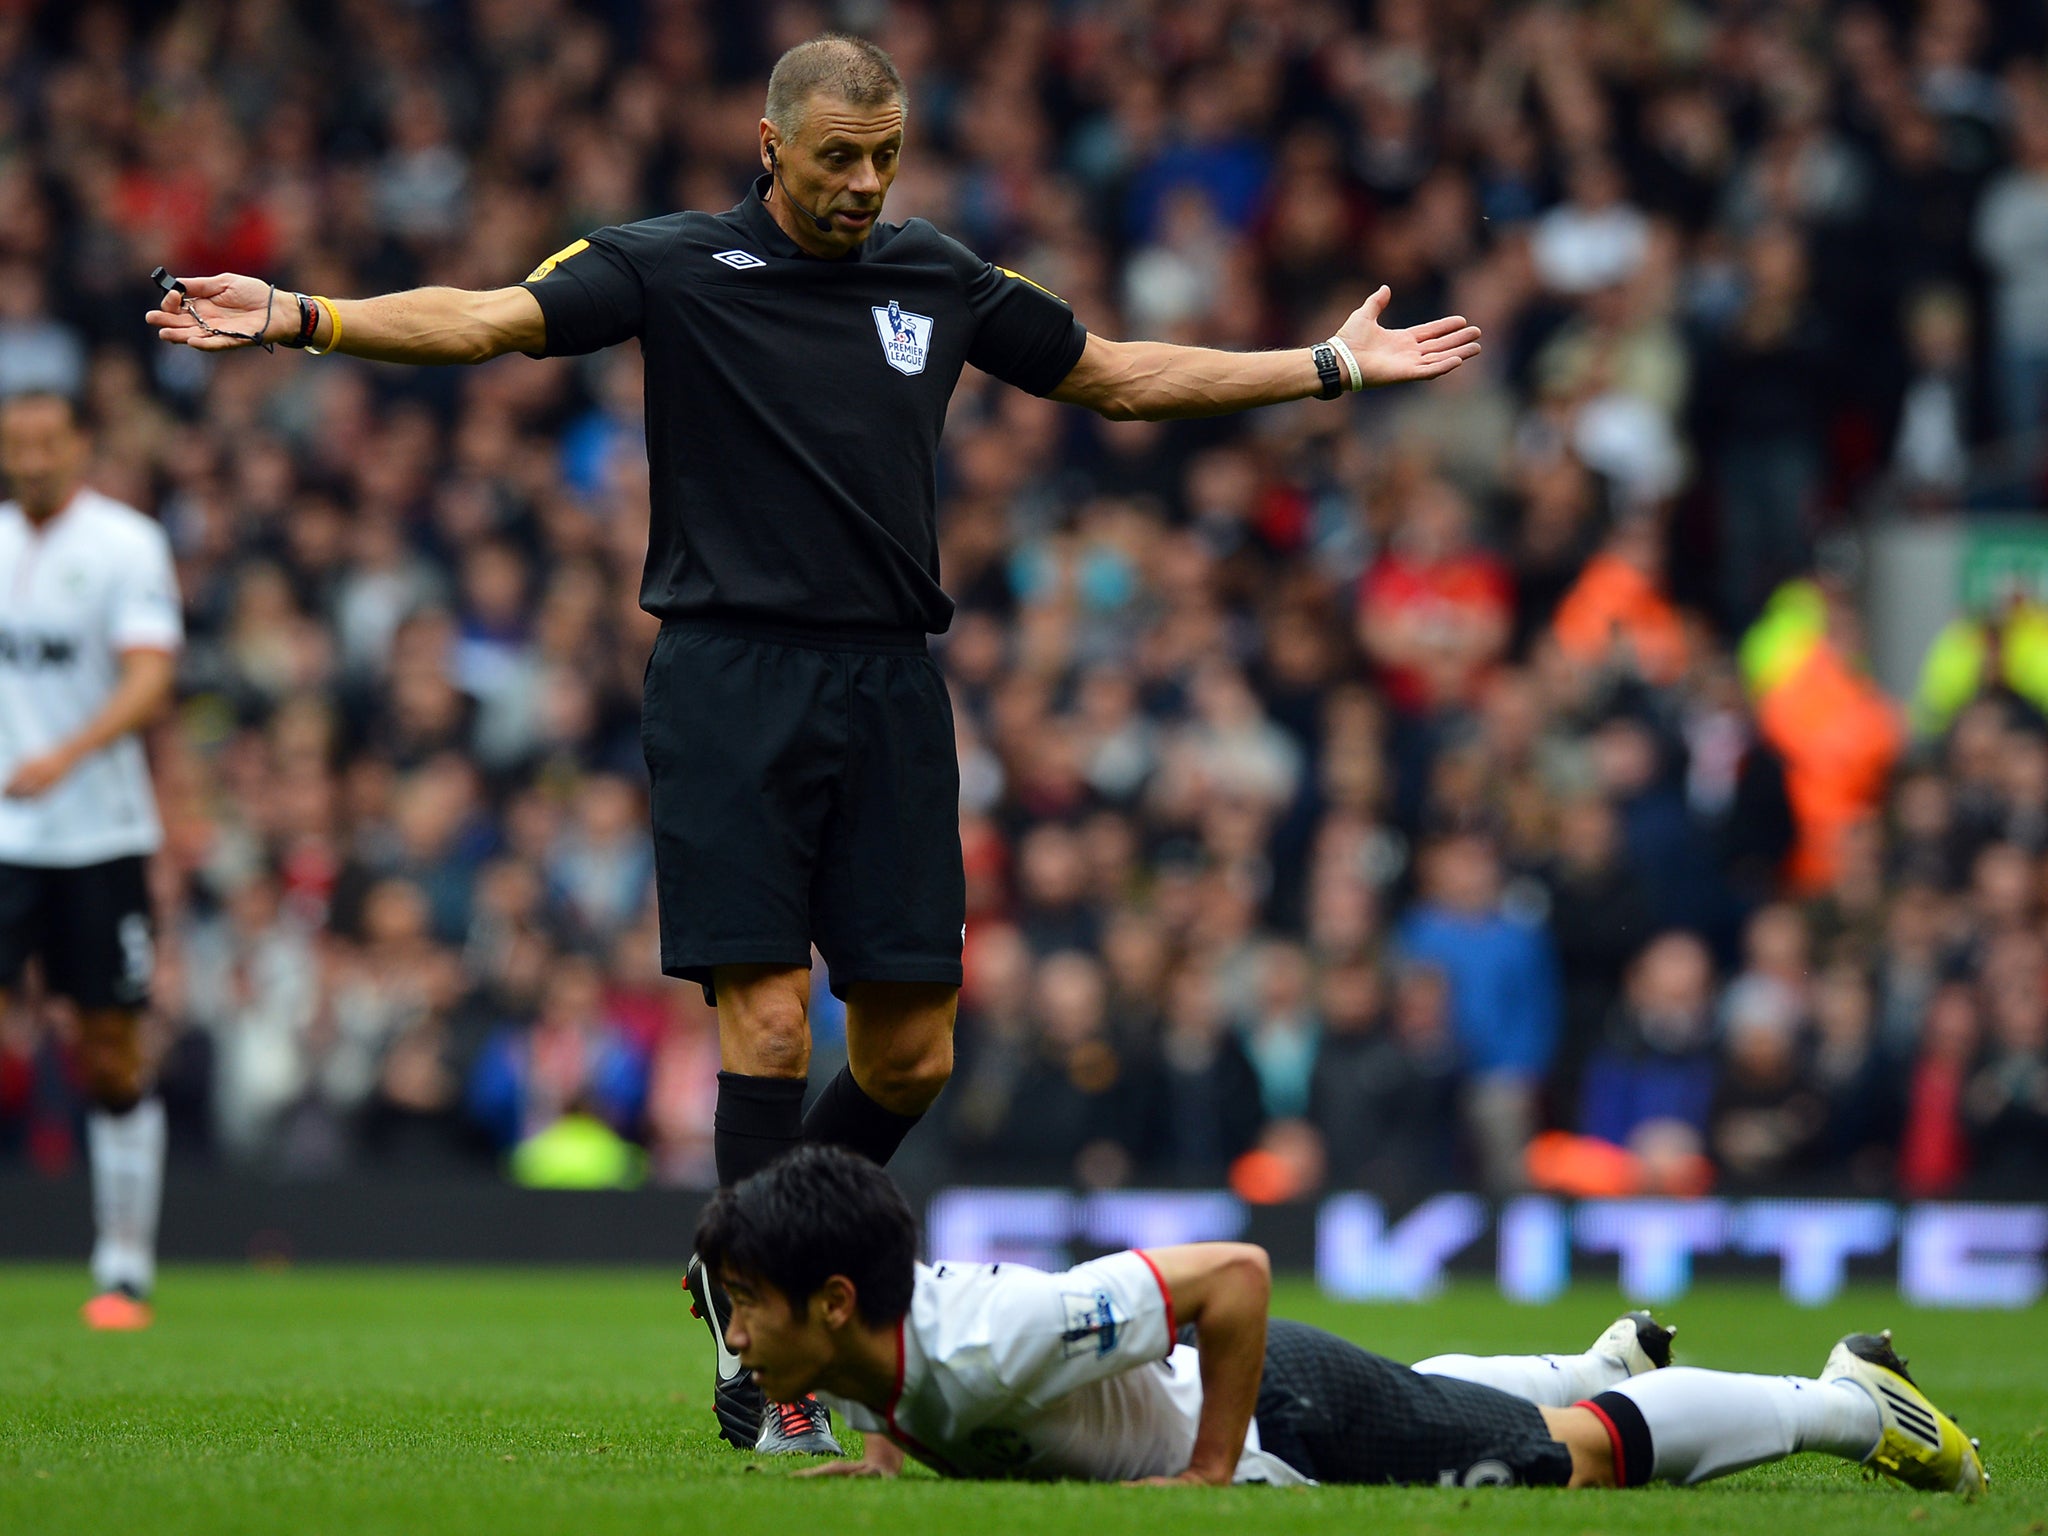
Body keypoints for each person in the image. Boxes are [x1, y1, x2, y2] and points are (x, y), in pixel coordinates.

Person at [146, 34, 1480, 1452]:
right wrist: (301, 314)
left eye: (884, 156)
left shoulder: (939, 276)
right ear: (771, 143)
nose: (863, 181)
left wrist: (1327, 364)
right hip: (729, 677)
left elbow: (1119, 375)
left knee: (910, 1055)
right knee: (772, 1023)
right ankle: (773, 1369)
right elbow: (483, 321)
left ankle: (745, 1253)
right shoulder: (667, 262)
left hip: (890, 688)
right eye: (838, 155)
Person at [697, 1145, 1987, 1498]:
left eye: (744, 1307)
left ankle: (1846, 1402)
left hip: (1283, 1427)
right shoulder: (861, 1350)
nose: (735, 1342)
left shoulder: (996, 1337)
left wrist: (1209, 1474)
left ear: (832, 1301)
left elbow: (1236, 1277)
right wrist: (879, 1452)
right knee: (1436, 1387)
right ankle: (1589, 1356)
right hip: (1283, 1399)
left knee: (1582, 1454)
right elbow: (910, 1395)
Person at [0, 391, 182, 1329]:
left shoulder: (125, 545)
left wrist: (65, 755)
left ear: (76, 447)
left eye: (45, 443)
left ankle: (124, 1264)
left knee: (110, 1050)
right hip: (5, 838)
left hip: (98, 833)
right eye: (15, 445)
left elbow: (151, 677)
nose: (30, 460)